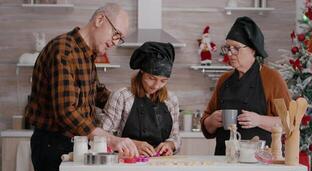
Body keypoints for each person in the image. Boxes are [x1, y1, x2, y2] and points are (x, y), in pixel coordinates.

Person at [24, 3, 139, 171]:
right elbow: (66, 112)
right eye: (116, 34)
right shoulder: (64, 51)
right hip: (54, 147)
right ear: (100, 20)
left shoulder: (86, 55)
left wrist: (133, 104)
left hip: (73, 144)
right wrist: (110, 139)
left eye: (119, 38)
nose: (115, 42)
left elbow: (96, 93)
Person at [200, 16, 291, 155]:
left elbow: (288, 122)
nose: (230, 53)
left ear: (253, 50)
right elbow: (207, 125)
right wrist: (211, 121)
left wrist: (259, 120)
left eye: (236, 48)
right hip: (224, 159)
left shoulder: (272, 79)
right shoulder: (224, 80)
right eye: (227, 48)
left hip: (260, 163)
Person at [101, 41, 181, 157]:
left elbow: (176, 137)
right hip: (127, 162)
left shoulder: (171, 99)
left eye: (163, 81)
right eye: (151, 78)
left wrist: (170, 145)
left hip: (160, 165)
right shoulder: (122, 97)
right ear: (142, 72)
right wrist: (132, 144)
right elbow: (102, 137)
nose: (156, 86)